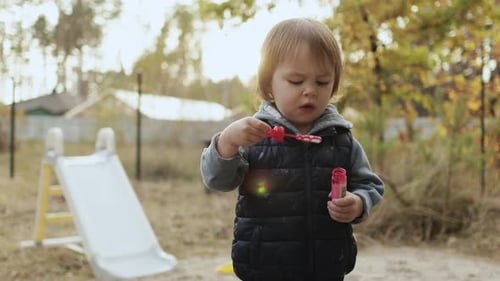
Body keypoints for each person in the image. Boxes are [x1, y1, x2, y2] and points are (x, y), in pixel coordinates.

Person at [200, 17, 384, 281]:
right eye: (296, 81)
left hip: (326, 263)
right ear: (269, 86)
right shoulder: (252, 135)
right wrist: (226, 143)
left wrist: (358, 203)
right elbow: (217, 180)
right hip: (263, 263)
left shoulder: (340, 138)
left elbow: (370, 185)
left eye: (322, 82)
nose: (310, 91)